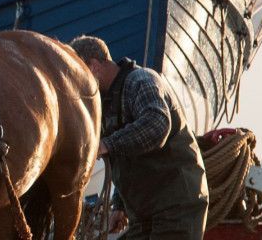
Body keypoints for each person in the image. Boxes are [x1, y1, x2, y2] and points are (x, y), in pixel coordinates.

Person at [70, 36, 208, 239]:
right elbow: (128, 158)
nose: (77, 87)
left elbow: (157, 124)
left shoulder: (141, 81)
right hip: (145, 214)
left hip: (176, 209)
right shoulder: (106, 102)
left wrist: (105, 144)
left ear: (94, 66)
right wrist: (120, 205)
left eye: (77, 76)